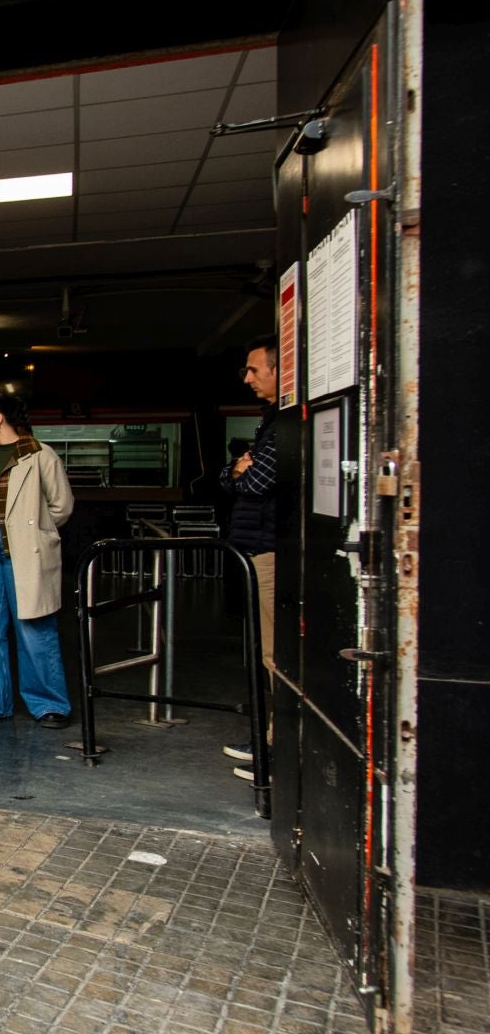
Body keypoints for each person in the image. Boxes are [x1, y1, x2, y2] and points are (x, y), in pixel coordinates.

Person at [0, 392, 75, 728]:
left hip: (23, 544)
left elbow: (62, 507)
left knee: (33, 624)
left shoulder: (41, 456)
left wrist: (34, 530)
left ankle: (49, 704)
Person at [218, 335, 280, 781]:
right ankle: (270, 738)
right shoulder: (272, 420)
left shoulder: (287, 422)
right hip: (255, 547)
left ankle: (278, 752)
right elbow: (232, 475)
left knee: (276, 654)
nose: (246, 377)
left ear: (281, 369)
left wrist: (241, 473)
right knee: (264, 652)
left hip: (269, 550)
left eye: (254, 368)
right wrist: (237, 472)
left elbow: (254, 483)